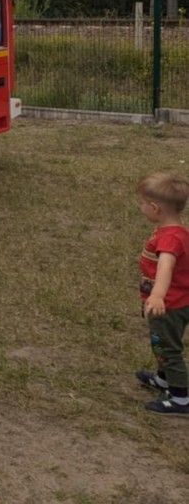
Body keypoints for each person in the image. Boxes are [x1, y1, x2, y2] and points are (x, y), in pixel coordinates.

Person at [134, 170, 189, 415]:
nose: (141, 207)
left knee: (167, 347)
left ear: (155, 208)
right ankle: (164, 378)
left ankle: (180, 398)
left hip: (169, 306)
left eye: (144, 203)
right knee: (163, 345)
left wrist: (157, 296)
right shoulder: (179, 233)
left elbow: (165, 268)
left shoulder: (169, 241)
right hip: (175, 301)